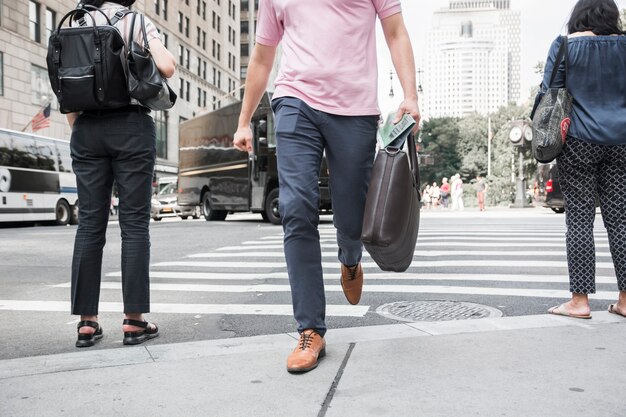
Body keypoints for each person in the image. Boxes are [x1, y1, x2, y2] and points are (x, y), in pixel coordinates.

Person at [233, 0, 420, 373]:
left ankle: (350, 260)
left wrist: (410, 95)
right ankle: (309, 329)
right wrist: (244, 120)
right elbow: (262, 57)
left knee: (352, 220)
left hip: (355, 110)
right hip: (294, 102)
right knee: (296, 209)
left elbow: (395, 32)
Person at [65, 0, 176, 347]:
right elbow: (167, 67)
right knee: (134, 226)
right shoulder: (135, 20)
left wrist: (81, 128)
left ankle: (87, 322)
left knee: (89, 226)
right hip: (131, 127)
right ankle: (133, 320)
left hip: (86, 128)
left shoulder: (74, 23)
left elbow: (67, 87)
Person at [541, 0, 626, 319]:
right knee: (620, 217)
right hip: (621, 140)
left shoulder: (565, 45)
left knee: (579, 217)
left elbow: (549, 92)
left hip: (578, 140)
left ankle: (579, 300)